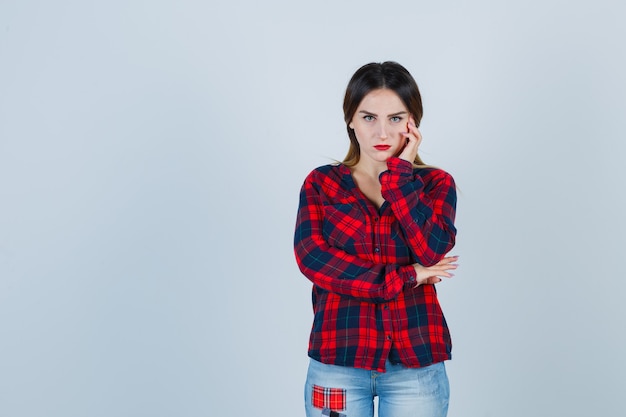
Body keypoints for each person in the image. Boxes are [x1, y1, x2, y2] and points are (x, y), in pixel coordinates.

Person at [293, 61, 459, 417]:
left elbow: (431, 249)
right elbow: (314, 260)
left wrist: (400, 177)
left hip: (416, 364)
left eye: (396, 118)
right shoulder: (321, 185)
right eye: (369, 117)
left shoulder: (436, 184)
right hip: (338, 362)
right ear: (350, 120)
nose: (382, 132)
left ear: (414, 123)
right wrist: (408, 275)